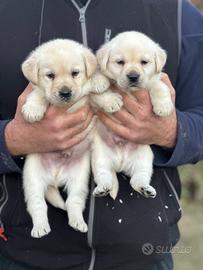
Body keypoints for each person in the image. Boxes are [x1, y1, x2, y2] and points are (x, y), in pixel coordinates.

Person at [0, 0, 203, 269]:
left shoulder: (177, 12)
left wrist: (173, 132)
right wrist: (11, 140)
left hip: (143, 255)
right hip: (22, 253)